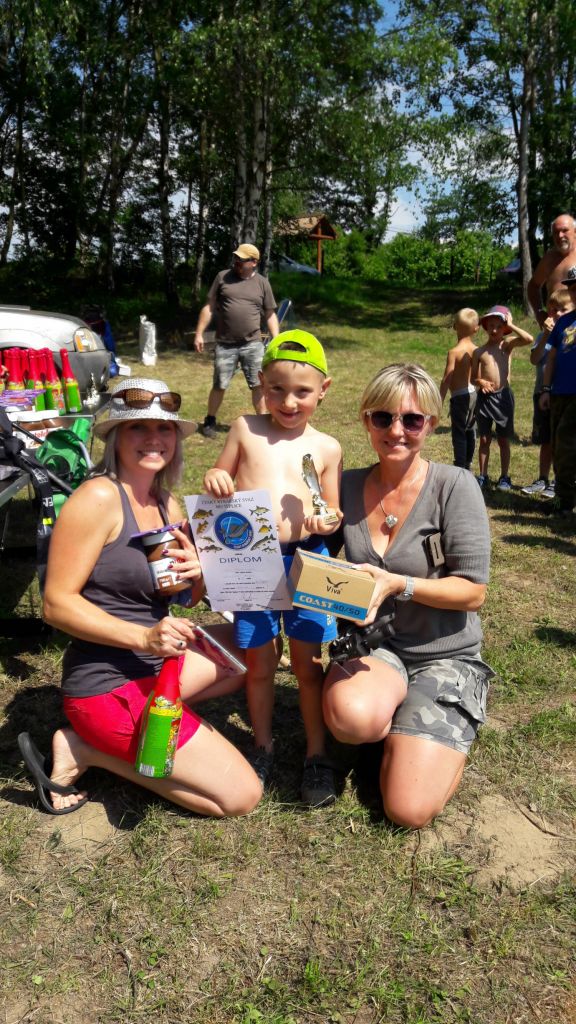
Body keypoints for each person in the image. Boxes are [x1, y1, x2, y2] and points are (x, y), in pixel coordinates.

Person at [17, 377, 262, 817]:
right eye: (138, 428)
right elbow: (56, 604)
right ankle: (87, 749)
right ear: (116, 436)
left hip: (157, 663)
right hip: (106, 682)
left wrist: (198, 574)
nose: (154, 438)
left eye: (164, 428)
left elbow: (181, 598)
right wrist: (144, 638)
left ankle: (150, 720)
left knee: (253, 649)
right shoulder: (98, 498)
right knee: (241, 797)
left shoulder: (166, 503)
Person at [322, 363, 493, 829]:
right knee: (353, 719)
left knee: (407, 810)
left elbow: (473, 591)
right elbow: (311, 553)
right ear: (366, 420)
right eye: (383, 417)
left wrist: (401, 584)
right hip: (374, 648)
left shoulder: (454, 485)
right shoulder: (348, 486)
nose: (396, 431)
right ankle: (393, 723)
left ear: (431, 424)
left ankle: (433, 728)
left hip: (445, 654)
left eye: (412, 420)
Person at [203, 330, 342, 806]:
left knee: (308, 664)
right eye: (277, 389)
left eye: (302, 391)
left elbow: (332, 508)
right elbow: (219, 472)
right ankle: (262, 745)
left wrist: (327, 520)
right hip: (251, 558)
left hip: (308, 560)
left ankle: (316, 752)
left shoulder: (328, 447)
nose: (288, 401)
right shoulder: (245, 428)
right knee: (260, 662)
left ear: (323, 390)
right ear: (261, 382)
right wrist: (215, 476)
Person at [193, 243, 280, 438]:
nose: (237, 262)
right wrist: (199, 333)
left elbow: (270, 314)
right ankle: (210, 421)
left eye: (242, 260)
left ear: (254, 262)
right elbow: (209, 307)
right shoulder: (222, 277)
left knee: (258, 385)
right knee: (219, 384)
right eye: (236, 258)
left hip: (253, 344)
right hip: (225, 345)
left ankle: (263, 423)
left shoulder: (262, 283)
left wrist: (277, 340)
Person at [471, 305, 533, 491]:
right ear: (486, 327)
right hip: (484, 399)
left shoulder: (507, 346)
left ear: (504, 328)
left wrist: (511, 325)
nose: (494, 330)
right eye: (491, 326)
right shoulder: (479, 352)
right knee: (484, 439)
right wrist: (480, 382)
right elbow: (473, 378)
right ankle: (483, 475)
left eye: (499, 326)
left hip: (503, 398)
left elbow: (528, 339)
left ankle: (504, 477)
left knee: (503, 440)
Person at [521, 286, 574, 498]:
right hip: (545, 393)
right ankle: (543, 478)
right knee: (547, 440)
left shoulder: (569, 331)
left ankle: (558, 483)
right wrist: (545, 335)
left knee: (565, 442)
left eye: (562, 309)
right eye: (552, 310)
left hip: (564, 393)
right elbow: (536, 359)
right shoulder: (545, 334)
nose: (556, 314)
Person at [539, 265, 576, 516]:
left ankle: (564, 500)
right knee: (558, 444)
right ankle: (563, 499)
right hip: (559, 392)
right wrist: (545, 389)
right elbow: (551, 358)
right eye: (571, 287)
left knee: (565, 442)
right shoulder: (564, 321)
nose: (574, 291)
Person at [439, 307, 479, 470]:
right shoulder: (477, 351)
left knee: (459, 432)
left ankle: (460, 465)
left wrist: (439, 400)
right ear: (476, 329)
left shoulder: (454, 352)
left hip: (459, 397)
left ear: (455, 327)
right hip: (474, 394)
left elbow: (447, 378)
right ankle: (468, 462)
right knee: (470, 430)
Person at [527, 214, 576, 328]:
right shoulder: (549, 258)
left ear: (575, 232)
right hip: (554, 328)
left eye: (565, 230)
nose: (560, 235)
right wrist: (539, 312)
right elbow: (533, 286)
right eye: (556, 232)